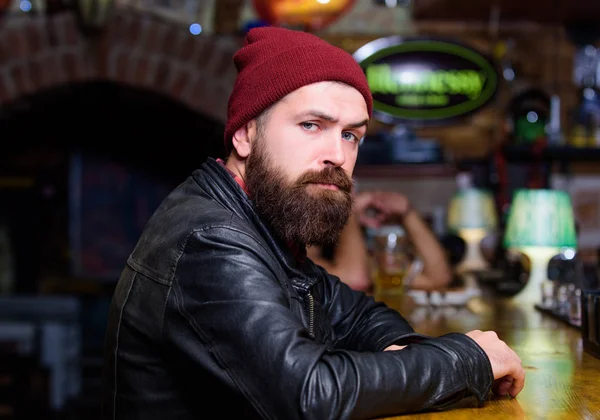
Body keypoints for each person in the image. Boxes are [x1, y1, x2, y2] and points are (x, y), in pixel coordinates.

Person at [102, 26, 525, 420]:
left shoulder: (261, 226)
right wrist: (466, 359)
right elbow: (310, 393)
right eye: (311, 125)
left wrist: (406, 355)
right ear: (246, 135)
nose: (337, 156)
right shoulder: (210, 239)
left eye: (350, 135)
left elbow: (359, 315)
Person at [307, 190, 453, 292]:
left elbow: (437, 278)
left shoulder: (352, 255)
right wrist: (348, 210)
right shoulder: (296, 261)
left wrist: (408, 213)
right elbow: (355, 280)